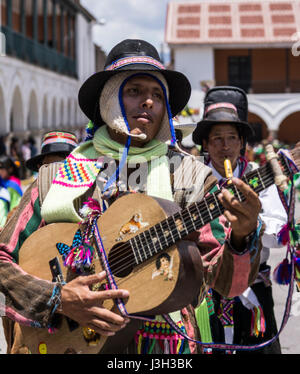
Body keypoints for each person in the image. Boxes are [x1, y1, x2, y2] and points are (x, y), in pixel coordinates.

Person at [1, 39, 263, 355]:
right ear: (108, 100)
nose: (149, 102)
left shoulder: (191, 178)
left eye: (157, 94)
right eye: (135, 91)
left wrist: (242, 237)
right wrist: (58, 298)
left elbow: (227, 285)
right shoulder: (57, 177)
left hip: (165, 349)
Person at [192, 86, 287, 354]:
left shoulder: (258, 177)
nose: (225, 146)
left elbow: (277, 234)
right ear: (206, 144)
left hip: (253, 292)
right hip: (206, 293)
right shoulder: (193, 179)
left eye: (232, 138)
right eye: (217, 138)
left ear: (241, 143)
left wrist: (250, 225)